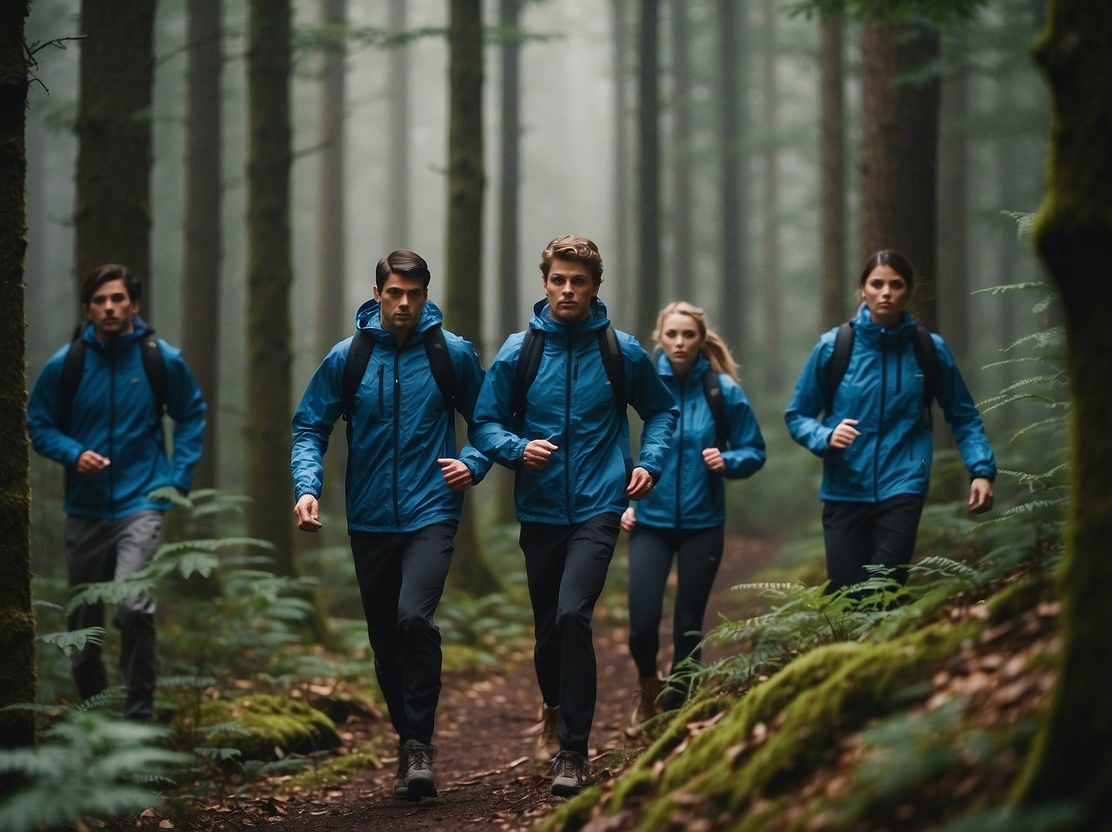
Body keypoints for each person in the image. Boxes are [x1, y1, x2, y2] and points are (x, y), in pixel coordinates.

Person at [473, 234, 678, 796]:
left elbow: (662, 412)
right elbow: (485, 423)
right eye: (558, 280)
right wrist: (517, 449)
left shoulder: (622, 350)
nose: (567, 290)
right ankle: (554, 708)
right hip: (539, 508)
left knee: (572, 616)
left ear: (594, 288)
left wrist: (650, 464)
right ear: (544, 282)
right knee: (546, 631)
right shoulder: (520, 351)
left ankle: (573, 752)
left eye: (578, 282)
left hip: (599, 502)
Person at [291, 250, 491, 802]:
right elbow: (310, 425)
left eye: (415, 294)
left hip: (433, 509)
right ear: (377, 293)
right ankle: (407, 742)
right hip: (370, 517)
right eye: (394, 293)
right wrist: (307, 488)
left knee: (413, 619)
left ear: (427, 295)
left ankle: (421, 745)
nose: (404, 304)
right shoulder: (347, 358)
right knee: (384, 640)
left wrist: (472, 463)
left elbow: (490, 421)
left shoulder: (450, 354)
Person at [27, 263, 207, 721]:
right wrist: (72, 453)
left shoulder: (158, 358)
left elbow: (191, 414)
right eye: (101, 300)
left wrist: (174, 479)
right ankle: (94, 719)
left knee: (134, 605)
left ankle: (138, 721)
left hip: (141, 503)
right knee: (83, 628)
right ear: (88, 308)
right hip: (83, 510)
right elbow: (39, 423)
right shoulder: (65, 364)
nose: (110, 307)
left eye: (118, 299)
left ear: (134, 304)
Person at [785, 249, 995, 595]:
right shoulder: (834, 346)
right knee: (847, 592)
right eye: (877, 283)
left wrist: (981, 470)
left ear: (908, 292)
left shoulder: (929, 348)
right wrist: (824, 435)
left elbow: (963, 414)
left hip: (904, 483)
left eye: (895, 285)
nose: (886, 292)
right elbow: (797, 415)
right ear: (863, 290)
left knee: (884, 586)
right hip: (844, 488)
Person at [620, 302, 765, 729]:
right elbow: (612, 446)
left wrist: (728, 460)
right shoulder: (639, 385)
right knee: (642, 624)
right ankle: (648, 685)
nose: (680, 343)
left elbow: (754, 450)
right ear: (659, 338)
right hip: (648, 520)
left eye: (688, 335)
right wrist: (622, 502)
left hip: (704, 523)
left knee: (687, 623)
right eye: (672, 335)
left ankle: (675, 715)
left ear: (701, 340)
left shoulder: (722, 390)